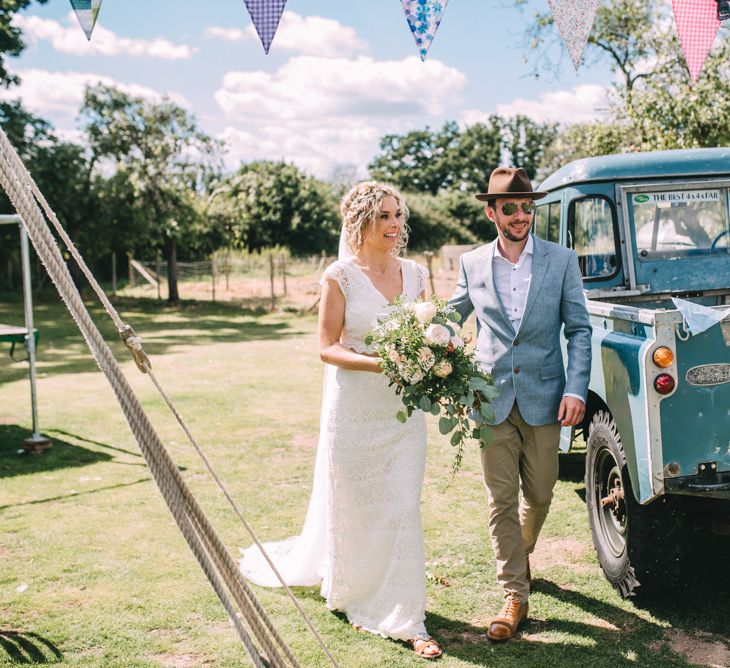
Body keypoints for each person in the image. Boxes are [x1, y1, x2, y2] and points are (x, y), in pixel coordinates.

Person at [240, 181, 442, 660]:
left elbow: (434, 332)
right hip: (354, 413)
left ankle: (407, 616)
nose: (396, 225)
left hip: (402, 416)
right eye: (385, 217)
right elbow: (327, 346)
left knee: (401, 508)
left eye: (398, 215)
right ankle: (356, 591)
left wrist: (433, 360)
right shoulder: (340, 275)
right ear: (362, 224)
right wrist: (384, 363)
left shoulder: (415, 274)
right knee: (358, 508)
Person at [448, 167, 591, 641]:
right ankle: (514, 595)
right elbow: (451, 318)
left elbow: (580, 330)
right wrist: (419, 331)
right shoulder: (471, 263)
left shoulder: (562, 260)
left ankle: (522, 553)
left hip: (546, 398)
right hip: (488, 399)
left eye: (527, 207)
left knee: (542, 493)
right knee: (501, 499)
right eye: (509, 207)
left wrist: (575, 389)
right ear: (491, 212)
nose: (520, 215)